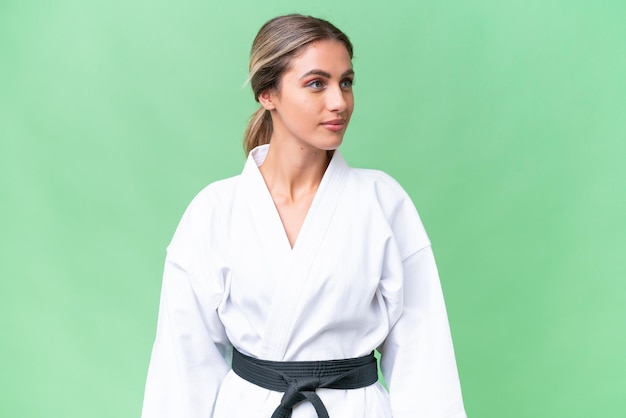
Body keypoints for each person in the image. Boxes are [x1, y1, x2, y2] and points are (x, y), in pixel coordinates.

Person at [141, 14, 466, 418]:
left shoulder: (383, 202)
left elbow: (424, 355)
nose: (339, 102)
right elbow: (182, 365)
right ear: (267, 94)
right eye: (317, 83)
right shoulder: (214, 211)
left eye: (345, 82)